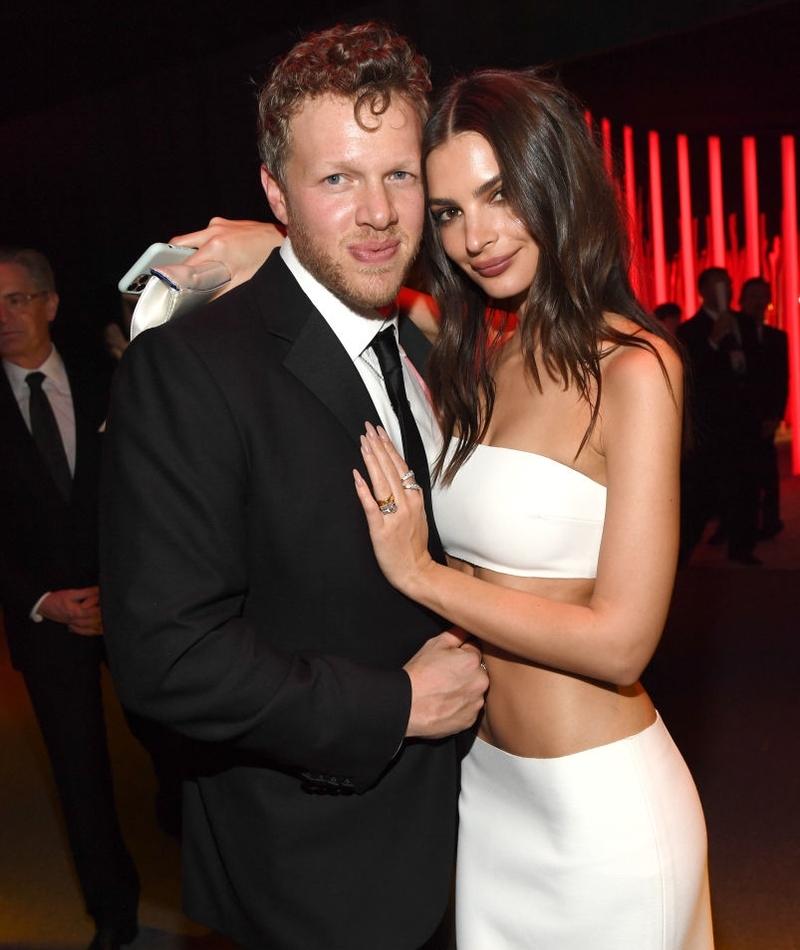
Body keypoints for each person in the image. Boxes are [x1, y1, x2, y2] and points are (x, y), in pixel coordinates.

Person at [100, 23, 486, 950]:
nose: (380, 214)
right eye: (337, 180)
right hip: (318, 873)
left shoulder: (428, 344)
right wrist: (394, 705)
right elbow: (168, 659)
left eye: (397, 174)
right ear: (277, 194)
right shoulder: (191, 370)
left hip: (473, 841)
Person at [350, 69, 713, 949]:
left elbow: (623, 639)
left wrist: (420, 575)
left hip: (603, 815)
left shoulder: (636, 370)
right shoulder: (486, 355)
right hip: (491, 799)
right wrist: (270, 247)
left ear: (556, 181)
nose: (477, 236)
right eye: (448, 212)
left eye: (500, 194)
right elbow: (401, 299)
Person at [0, 247, 140, 950]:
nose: (3, 318)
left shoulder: (107, 378)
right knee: (79, 776)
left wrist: (125, 590)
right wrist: (42, 600)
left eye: (17, 299)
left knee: (179, 746)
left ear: (50, 303)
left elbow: (143, 496)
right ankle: (113, 915)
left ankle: (213, 885)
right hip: (44, 620)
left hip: (132, 604)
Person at [678, 267, 762, 565]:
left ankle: (742, 547)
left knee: (746, 488)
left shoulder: (744, 323)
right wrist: (714, 340)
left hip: (745, 422)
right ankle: (682, 554)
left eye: (726, 283)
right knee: (702, 493)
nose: (724, 289)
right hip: (712, 427)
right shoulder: (690, 330)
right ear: (704, 292)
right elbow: (692, 376)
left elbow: (757, 368)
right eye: (717, 285)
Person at [738, 277, 789, 540]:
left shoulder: (777, 338)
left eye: (763, 295)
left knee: (768, 474)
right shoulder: (733, 333)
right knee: (742, 477)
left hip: (765, 417)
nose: (758, 301)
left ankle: (770, 522)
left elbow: (782, 380)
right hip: (737, 419)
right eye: (753, 295)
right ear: (742, 299)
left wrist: (775, 416)